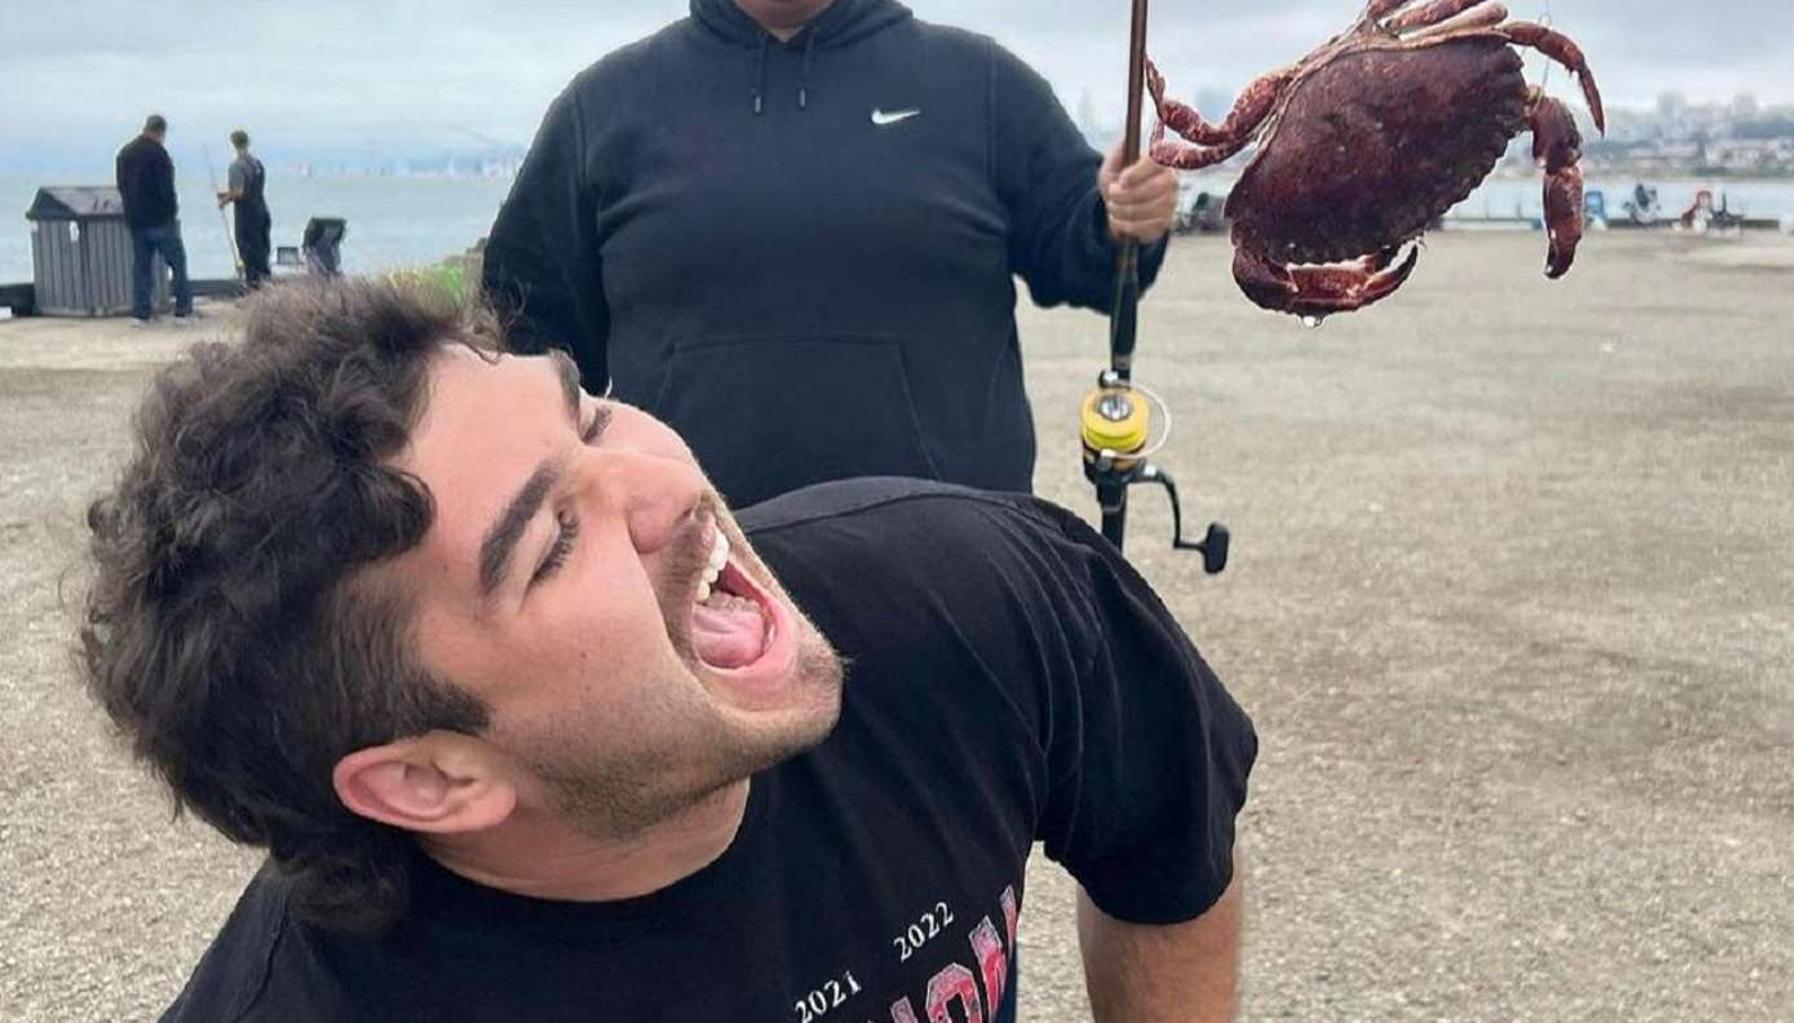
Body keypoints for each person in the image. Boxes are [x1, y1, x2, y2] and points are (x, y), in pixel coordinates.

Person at [80, 278, 1256, 1021]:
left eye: (588, 409)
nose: (669, 484)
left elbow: (1166, 848)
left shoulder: (974, 596)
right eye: (550, 543)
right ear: (432, 776)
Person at [483, 0, 1181, 510]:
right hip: (689, 569)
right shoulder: (602, 109)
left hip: (954, 565)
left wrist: (1125, 216)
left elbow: (1089, 254)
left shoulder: (986, 86)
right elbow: (524, 344)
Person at [114, 114, 195, 325]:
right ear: (161, 132)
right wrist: (171, 210)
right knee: (177, 263)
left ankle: (141, 314)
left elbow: (121, 186)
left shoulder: (125, 153)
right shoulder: (159, 155)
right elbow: (166, 189)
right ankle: (183, 311)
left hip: (135, 219)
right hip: (160, 219)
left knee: (141, 267)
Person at [216, 129, 273, 288]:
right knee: (261, 249)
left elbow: (240, 192)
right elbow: (251, 188)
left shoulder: (236, 166)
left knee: (247, 249)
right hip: (261, 209)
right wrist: (228, 194)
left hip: (246, 214)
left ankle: (253, 285)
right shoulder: (257, 164)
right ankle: (265, 284)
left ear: (233, 144)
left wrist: (224, 201)